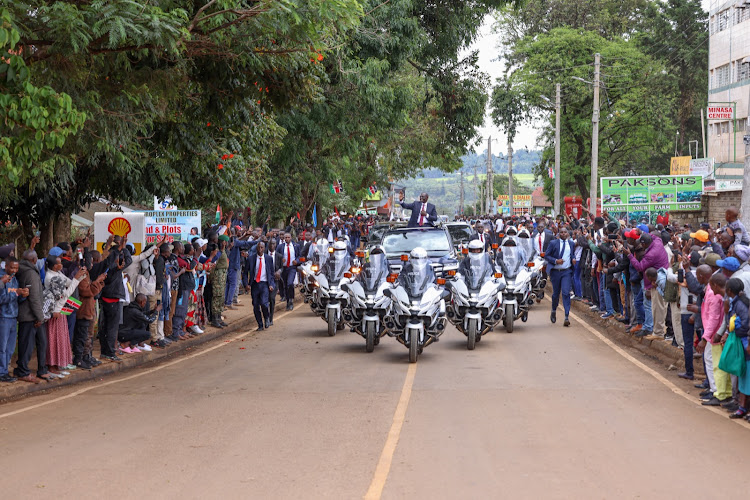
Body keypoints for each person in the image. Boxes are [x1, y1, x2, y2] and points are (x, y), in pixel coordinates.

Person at [44, 255, 85, 377]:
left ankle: (57, 365)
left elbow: (69, 282)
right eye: (59, 263)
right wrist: (77, 279)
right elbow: (64, 295)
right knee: (53, 339)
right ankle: (51, 366)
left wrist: (80, 275)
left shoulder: (58, 274)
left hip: (60, 311)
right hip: (55, 311)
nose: (61, 265)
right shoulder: (51, 277)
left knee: (60, 338)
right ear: (54, 266)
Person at [15, 250, 49, 383]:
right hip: (30, 315)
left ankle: (26, 369)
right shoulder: (31, 273)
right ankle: (23, 371)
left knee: (32, 343)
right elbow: (34, 298)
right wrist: (40, 317)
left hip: (29, 314)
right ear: (34, 260)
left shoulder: (24, 270)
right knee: (27, 345)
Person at [699, 273, 731, 406]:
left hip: (715, 335)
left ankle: (718, 392)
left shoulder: (714, 295)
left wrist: (706, 337)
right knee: (714, 362)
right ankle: (718, 391)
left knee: (716, 364)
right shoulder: (718, 294)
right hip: (716, 333)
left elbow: (714, 318)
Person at [0, 258, 28, 383]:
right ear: (6, 266)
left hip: (13, 317)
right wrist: (16, 293)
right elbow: (1, 299)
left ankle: (5, 371)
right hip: (3, 317)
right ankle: (1, 372)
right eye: (12, 268)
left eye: (16, 268)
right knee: (2, 347)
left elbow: (16, 299)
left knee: (10, 348)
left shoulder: (15, 280)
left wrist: (22, 295)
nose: (14, 270)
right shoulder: (2, 279)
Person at [545, 226, 575, 327]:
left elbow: (572, 255)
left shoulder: (571, 244)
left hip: (566, 272)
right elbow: (547, 256)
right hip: (555, 272)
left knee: (566, 293)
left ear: (567, 234)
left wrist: (574, 259)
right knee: (555, 294)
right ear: (559, 234)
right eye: (561, 232)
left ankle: (566, 316)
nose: (563, 234)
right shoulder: (553, 243)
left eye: (565, 232)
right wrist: (555, 261)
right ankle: (554, 310)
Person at [247, 241, 276, 331]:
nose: (260, 249)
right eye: (259, 247)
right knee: (255, 305)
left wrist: (271, 284)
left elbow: (271, 273)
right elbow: (245, 273)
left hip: (264, 284)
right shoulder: (251, 259)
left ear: (264, 248)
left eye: (262, 248)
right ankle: (260, 324)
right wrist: (246, 284)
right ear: (256, 248)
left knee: (264, 303)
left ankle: (267, 318)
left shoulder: (268, 259)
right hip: (255, 284)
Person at [277, 233, 300, 311]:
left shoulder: (296, 246)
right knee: (285, 285)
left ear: (291, 238)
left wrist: (296, 261)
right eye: (285, 237)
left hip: (292, 268)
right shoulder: (280, 247)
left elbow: (299, 256)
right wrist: (281, 259)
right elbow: (276, 255)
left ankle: (291, 300)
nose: (287, 239)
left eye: (288, 237)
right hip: (283, 268)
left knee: (290, 283)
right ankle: (287, 301)